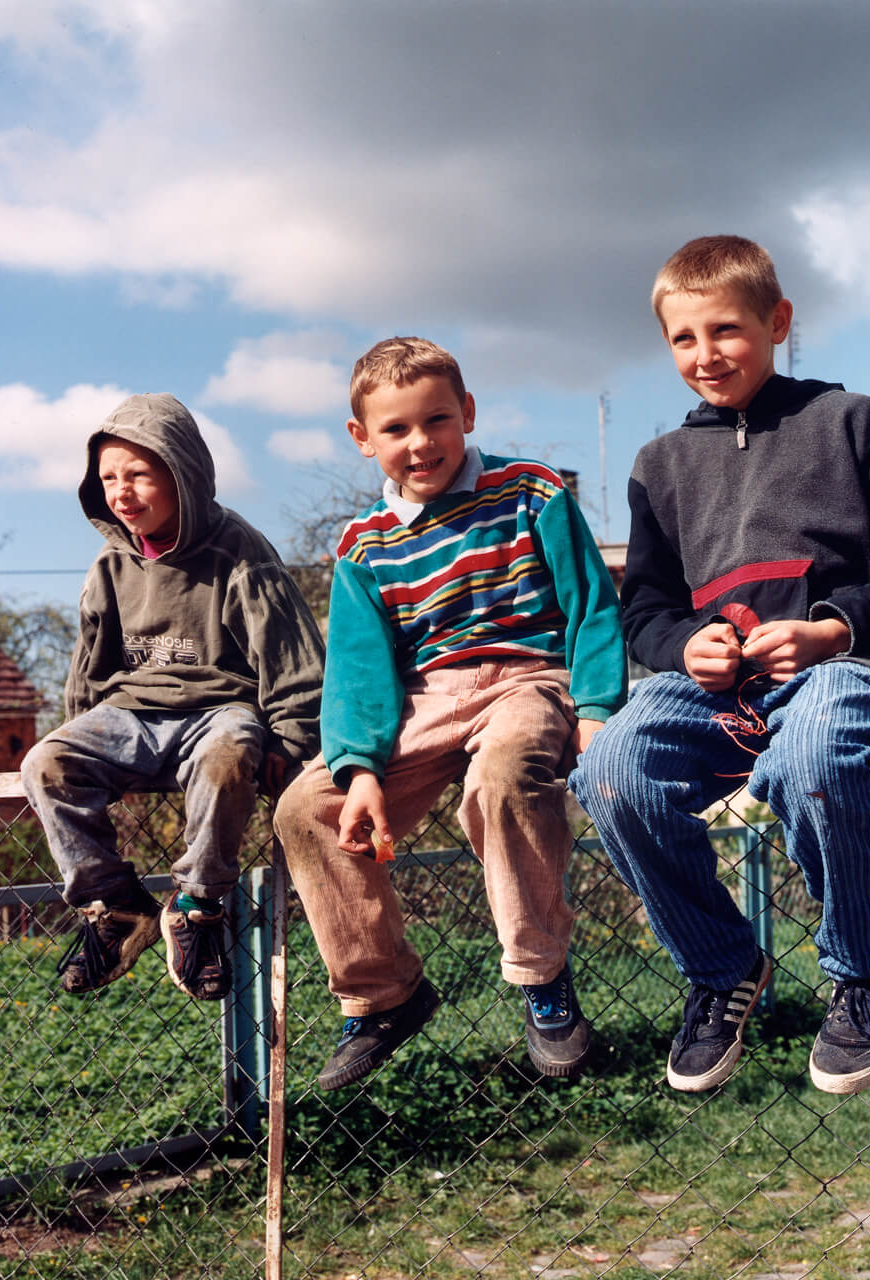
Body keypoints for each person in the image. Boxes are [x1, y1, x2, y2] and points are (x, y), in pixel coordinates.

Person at [570, 235, 870, 1095]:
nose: (705, 355)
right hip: (720, 689)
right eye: (683, 338)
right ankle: (721, 971)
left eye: (727, 330)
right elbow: (644, 611)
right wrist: (684, 646)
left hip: (850, 668)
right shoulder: (658, 467)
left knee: (814, 752)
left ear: (778, 322)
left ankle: (862, 978)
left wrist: (834, 627)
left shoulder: (854, 423)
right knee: (609, 768)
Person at [273, 336, 626, 1090]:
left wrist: (595, 709)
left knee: (499, 779)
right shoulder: (364, 546)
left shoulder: (530, 492)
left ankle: (541, 979)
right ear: (362, 439)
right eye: (396, 429)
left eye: (437, 420)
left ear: (467, 413)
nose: (420, 442)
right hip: (427, 698)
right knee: (309, 806)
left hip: (528, 677)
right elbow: (359, 673)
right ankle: (382, 995)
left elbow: (592, 605)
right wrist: (359, 768)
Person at [21, 393, 324, 1000]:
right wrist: (83, 739)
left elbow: (291, 655)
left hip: (219, 710)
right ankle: (115, 905)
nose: (121, 492)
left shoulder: (239, 551)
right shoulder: (109, 566)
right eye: (108, 478)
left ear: (181, 473)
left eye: (137, 474)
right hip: (130, 714)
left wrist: (292, 742)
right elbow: (88, 667)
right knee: (43, 762)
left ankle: (197, 905)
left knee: (227, 755)